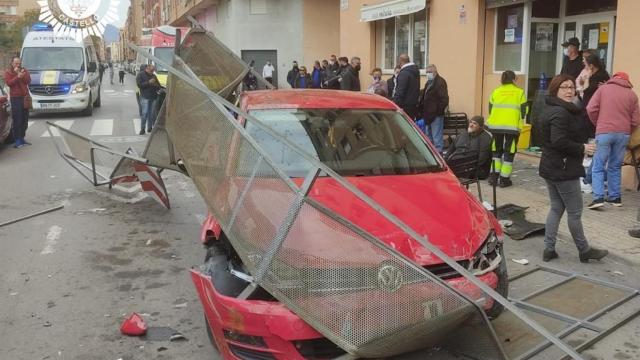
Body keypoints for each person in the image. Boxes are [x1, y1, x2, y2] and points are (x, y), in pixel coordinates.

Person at [538, 74, 608, 263]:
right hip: (563, 169)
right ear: (555, 90)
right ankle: (584, 250)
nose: (569, 91)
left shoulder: (552, 107)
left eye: (571, 87)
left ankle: (548, 248)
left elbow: (579, 113)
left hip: (551, 166)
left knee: (556, 207)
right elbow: (559, 140)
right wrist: (582, 148)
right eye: (564, 87)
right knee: (575, 212)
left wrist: (583, 90)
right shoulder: (560, 113)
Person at [586, 72, 640, 209]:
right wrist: (627, 128)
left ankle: (598, 198)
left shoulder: (603, 89)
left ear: (613, 78)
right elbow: (636, 119)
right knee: (615, 166)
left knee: (598, 166)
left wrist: (598, 123)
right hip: (623, 134)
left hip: (604, 132)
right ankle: (615, 198)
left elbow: (590, 108)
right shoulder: (632, 95)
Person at [486, 70, 527, 188]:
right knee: (509, 152)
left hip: (496, 126)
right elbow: (524, 111)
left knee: (496, 151)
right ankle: (504, 179)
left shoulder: (496, 91)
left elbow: (490, 109)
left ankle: (493, 177)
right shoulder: (520, 92)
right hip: (512, 127)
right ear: (514, 79)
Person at [419, 64, 449, 153]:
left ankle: (439, 157)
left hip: (436, 115)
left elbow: (444, 100)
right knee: (429, 138)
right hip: (427, 115)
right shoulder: (428, 82)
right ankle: (432, 156)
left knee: (437, 139)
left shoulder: (440, 82)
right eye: (427, 72)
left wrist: (437, 111)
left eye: (430, 72)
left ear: (435, 71)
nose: (428, 74)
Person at [4, 56, 31, 148]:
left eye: (19, 63)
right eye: (16, 63)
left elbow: (28, 81)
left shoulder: (24, 70)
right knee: (17, 119)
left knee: (25, 119)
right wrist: (17, 77)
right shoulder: (8, 72)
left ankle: (22, 137)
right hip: (15, 98)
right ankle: (17, 140)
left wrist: (21, 75)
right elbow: (9, 83)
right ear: (12, 63)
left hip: (25, 97)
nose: (18, 65)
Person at [392, 54, 419, 119]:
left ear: (400, 61)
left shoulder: (404, 73)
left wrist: (395, 105)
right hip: (413, 106)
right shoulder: (415, 71)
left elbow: (400, 91)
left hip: (404, 107)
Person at [137, 64, 161, 135]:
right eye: (151, 70)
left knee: (152, 113)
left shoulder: (154, 76)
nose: (152, 72)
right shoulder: (140, 75)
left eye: (153, 71)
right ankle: (142, 129)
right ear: (147, 69)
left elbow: (158, 86)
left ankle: (150, 128)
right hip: (145, 97)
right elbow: (139, 85)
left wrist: (155, 85)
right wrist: (149, 82)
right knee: (145, 113)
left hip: (153, 97)